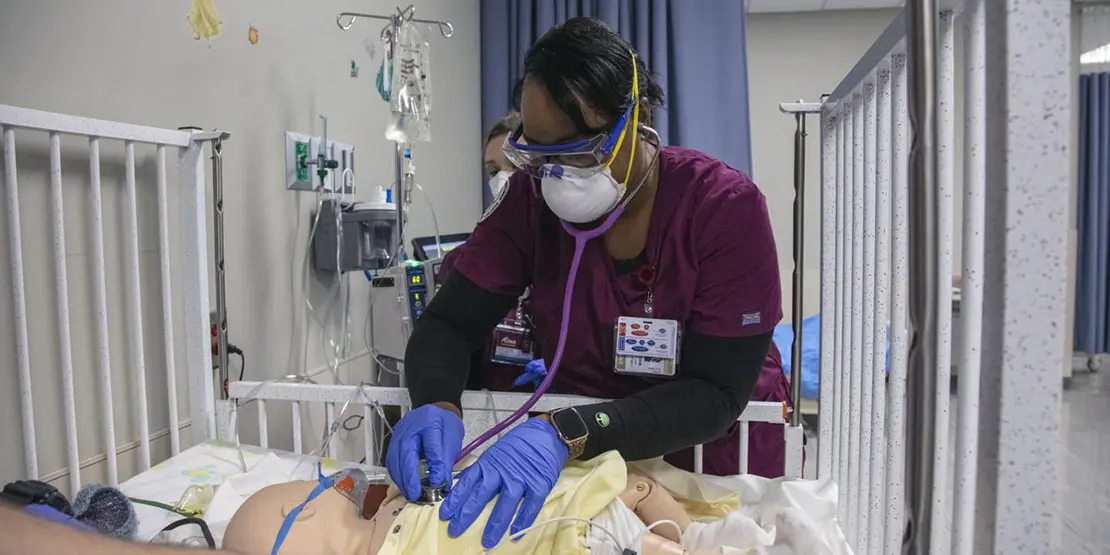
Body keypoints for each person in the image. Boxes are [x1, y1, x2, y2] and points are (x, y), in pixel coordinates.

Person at [388, 16, 793, 549]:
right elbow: (448, 323)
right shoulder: (530, 203)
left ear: (638, 118)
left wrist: (567, 430)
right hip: (589, 456)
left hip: (708, 454)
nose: (555, 176)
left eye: (578, 153)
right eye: (539, 155)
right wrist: (436, 404)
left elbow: (714, 394)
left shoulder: (722, 209)